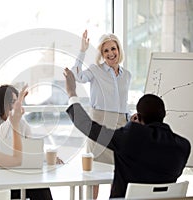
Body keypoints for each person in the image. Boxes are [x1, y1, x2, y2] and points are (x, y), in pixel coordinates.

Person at [63, 68, 191, 198]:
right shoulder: (183, 146)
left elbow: (86, 126)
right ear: (164, 115)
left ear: (138, 117)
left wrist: (72, 92)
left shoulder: (131, 136)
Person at [71, 30, 131, 198]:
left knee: (118, 174)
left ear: (119, 50)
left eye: (113, 49)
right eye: (106, 51)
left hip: (120, 127)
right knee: (94, 174)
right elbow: (77, 76)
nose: (111, 53)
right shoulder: (95, 70)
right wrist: (82, 50)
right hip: (99, 125)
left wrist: (130, 117)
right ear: (102, 54)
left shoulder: (127, 75)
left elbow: (123, 102)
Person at [0, 84, 55, 200]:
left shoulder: (22, 125)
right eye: (13, 102)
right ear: (1, 105)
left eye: (18, 102)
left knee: (41, 188)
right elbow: (2, 136)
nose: (17, 106)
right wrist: (14, 118)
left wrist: (48, 158)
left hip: (19, 178)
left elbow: (31, 152)